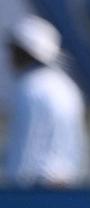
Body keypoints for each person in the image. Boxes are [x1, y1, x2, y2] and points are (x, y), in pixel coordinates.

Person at [5, 15, 85, 188]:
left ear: (24, 52)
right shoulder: (66, 86)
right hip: (67, 187)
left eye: (12, 49)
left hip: (36, 189)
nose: (8, 57)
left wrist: (14, 191)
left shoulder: (32, 87)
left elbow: (27, 146)